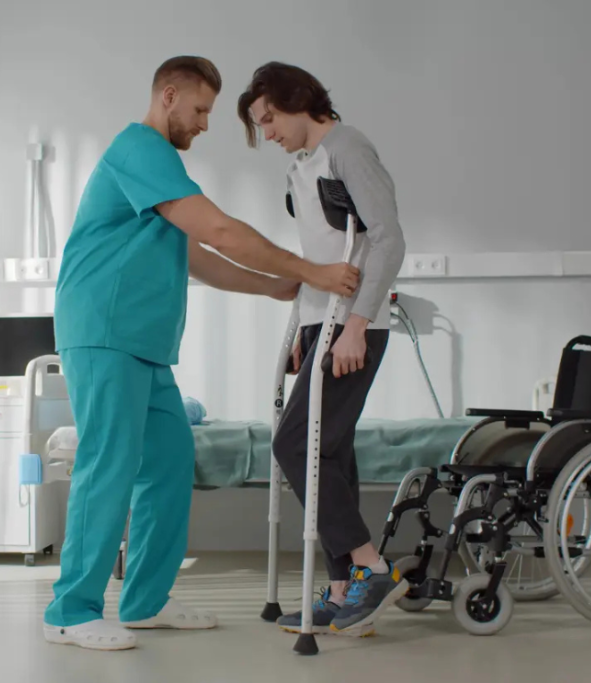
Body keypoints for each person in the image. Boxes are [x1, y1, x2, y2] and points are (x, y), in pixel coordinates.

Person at [43, 56, 360, 652]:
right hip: (104, 332)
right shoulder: (139, 150)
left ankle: (143, 602)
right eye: (200, 110)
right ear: (168, 97)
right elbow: (221, 230)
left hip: (142, 345)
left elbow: (198, 256)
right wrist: (308, 267)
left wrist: (272, 285)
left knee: (166, 463)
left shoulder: (158, 174)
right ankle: (70, 609)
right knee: (108, 467)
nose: (206, 124)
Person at [237, 62, 408, 637]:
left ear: (296, 100)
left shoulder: (348, 148)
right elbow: (321, 249)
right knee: (327, 454)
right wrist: (304, 335)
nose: (267, 133)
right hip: (320, 323)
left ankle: (370, 566)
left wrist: (357, 325)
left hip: (353, 323)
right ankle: (342, 590)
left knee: (294, 443)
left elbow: (387, 237)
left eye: (269, 119)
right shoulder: (300, 166)